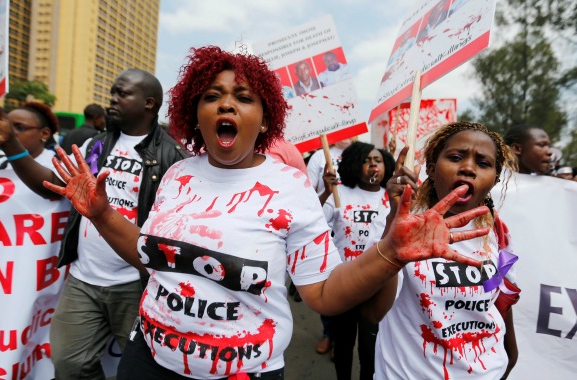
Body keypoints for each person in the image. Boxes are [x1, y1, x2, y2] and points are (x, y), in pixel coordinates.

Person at [40, 45, 493, 380]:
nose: (227, 104)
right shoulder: (178, 174)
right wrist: (99, 213)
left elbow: (324, 295)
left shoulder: (290, 187)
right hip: (148, 363)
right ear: (194, 111)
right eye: (212, 95)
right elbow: (149, 257)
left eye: (244, 96)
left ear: (265, 116)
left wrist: (389, 253)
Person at [0, 68, 189, 379]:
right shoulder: (94, 146)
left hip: (137, 286)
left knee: (142, 372)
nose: (112, 99)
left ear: (149, 103)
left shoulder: (173, 158)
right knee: (69, 364)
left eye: (122, 93)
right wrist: (9, 143)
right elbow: (50, 183)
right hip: (83, 281)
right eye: (112, 91)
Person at [363, 122, 519, 379]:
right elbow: (372, 312)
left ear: (494, 179)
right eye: (456, 157)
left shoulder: (498, 231)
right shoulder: (394, 225)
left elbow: (497, 298)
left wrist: (510, 356)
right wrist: (393, 225)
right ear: (432, 170)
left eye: (483, 163)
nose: (468, 168)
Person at [320, 142, 395, 380]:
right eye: (366, 160)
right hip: (344, 282)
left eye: (378, 160)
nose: (373, 165)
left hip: (378, 284)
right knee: (343, 344)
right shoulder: (338, 194)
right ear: (354, 164)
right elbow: (313, 225)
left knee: (369, 347)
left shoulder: (390, 197)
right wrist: (325, 191)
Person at [305, 137, 352, 354]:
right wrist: (326, 188)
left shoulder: (360, 153)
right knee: (330, 287)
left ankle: (344, 340)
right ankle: (329, 333)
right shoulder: (318, 157)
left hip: (352, 231)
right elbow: (308, 194)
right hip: (326, 230)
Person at [0, 102, 59, 170]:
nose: (9, 132)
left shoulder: (59, 166)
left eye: (20, 127)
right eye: (7, 126)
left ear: (44, 134)